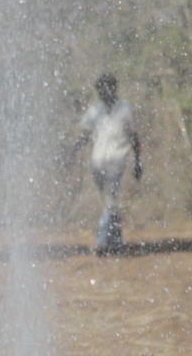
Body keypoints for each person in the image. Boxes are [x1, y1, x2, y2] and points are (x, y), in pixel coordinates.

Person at [74, 73, 142, 255]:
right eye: (100, 90)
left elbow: (134, 136)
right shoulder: (94, 110)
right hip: (97, 162)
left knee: (110, 200)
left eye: (107, 88)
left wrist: (138, 162)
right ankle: (116, 241)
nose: (104, 92)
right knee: (107, 202)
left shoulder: (126, 109)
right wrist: (72, 153)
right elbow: (85, 135)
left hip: (117, 161)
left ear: (114, 88)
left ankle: (103, 242)